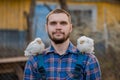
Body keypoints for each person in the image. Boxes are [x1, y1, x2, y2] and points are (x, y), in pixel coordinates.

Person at [23, 9, 101, 80]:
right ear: (46, 28)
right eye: (53, 23)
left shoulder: (88, 60)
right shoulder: (34, 61)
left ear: (70, 28)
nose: (58, 27)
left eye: (63, 23)